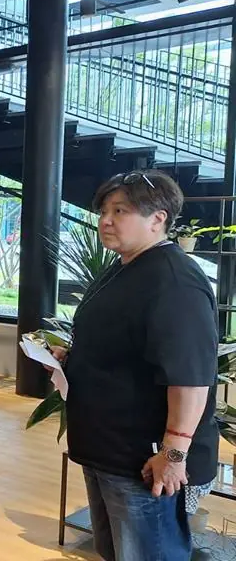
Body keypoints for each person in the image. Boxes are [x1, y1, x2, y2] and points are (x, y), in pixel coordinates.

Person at [47, 170, 217, 560]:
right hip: (106, 449)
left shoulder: (174, 281)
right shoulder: (125, 266)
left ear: (157, 219)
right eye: (103, 211)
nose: (106, 220)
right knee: (114, 552)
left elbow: (191, 378)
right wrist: (70, 359)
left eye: (120, 211)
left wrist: (173, 455)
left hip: (142, 461)